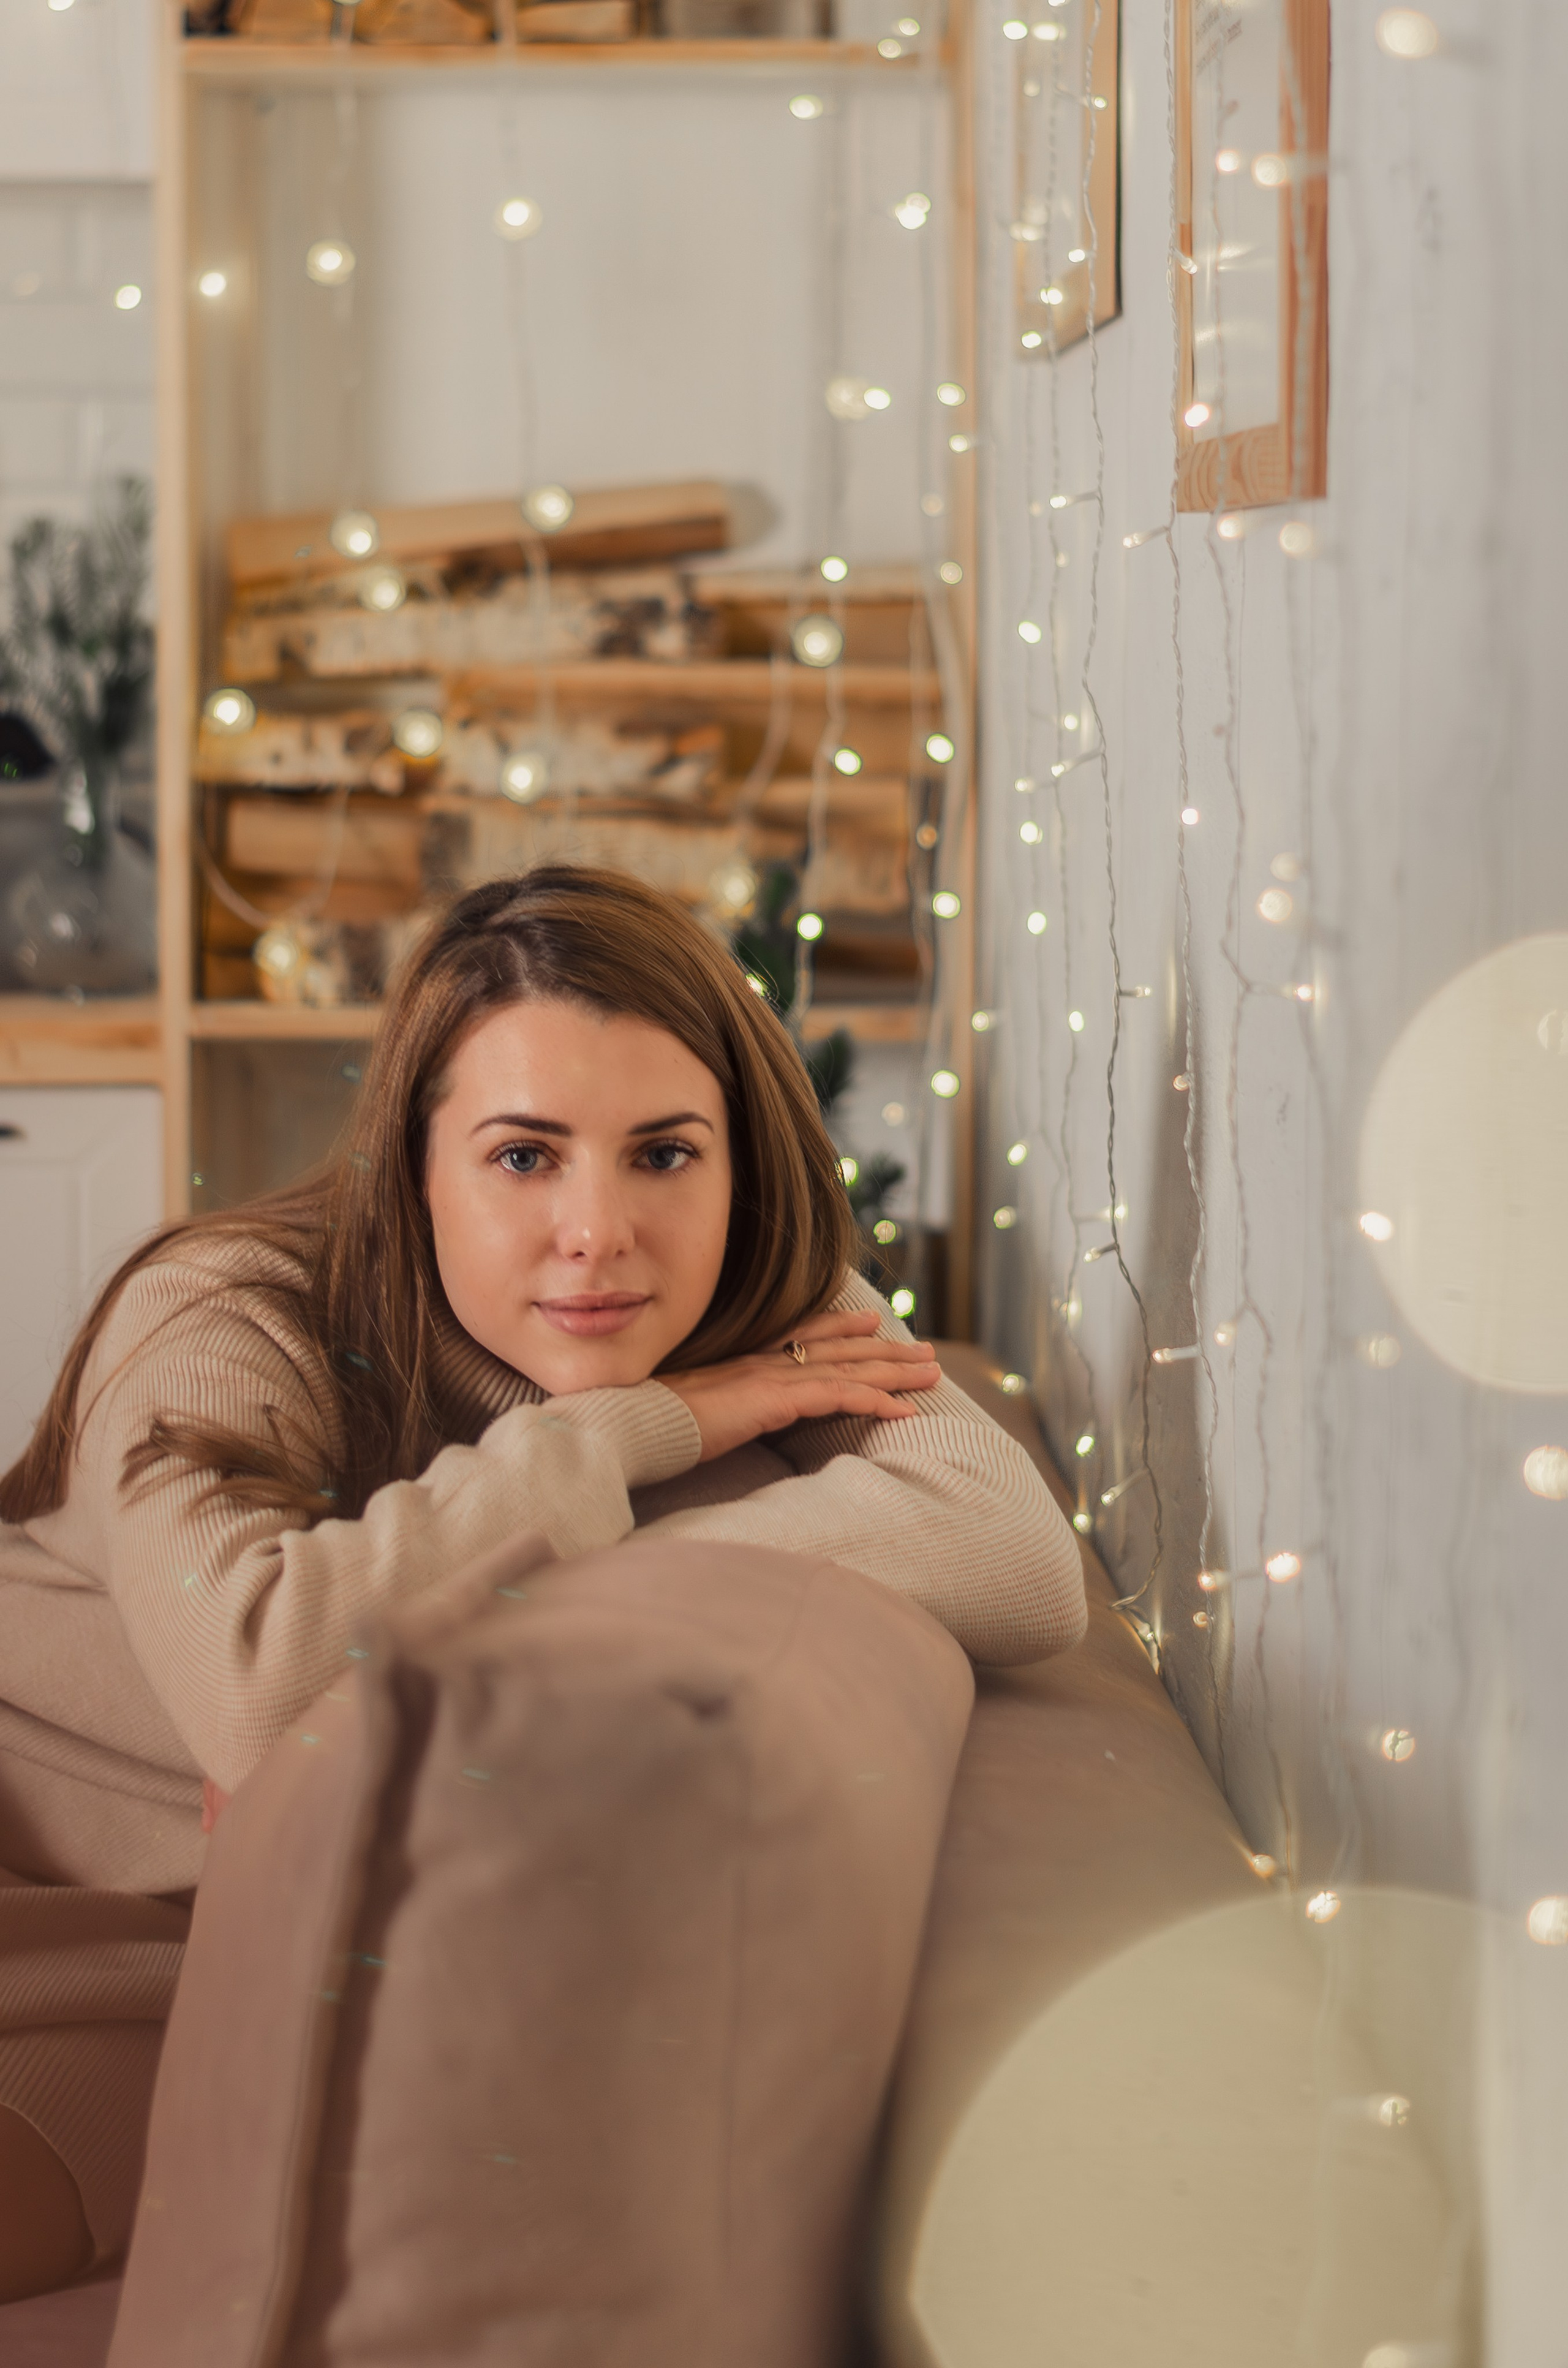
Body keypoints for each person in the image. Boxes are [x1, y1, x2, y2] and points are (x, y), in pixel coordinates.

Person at [0, 865, 1086, 2301]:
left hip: (229, 1955)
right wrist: (656, 1424)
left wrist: (559, 1581)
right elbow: (266, 1686)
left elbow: (1011, 1552)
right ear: (415, 1167)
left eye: (662, 1152)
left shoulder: (771, 1298)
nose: (600, 1233)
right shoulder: (221, 1309)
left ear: (736, 1164)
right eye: (524, 1155)